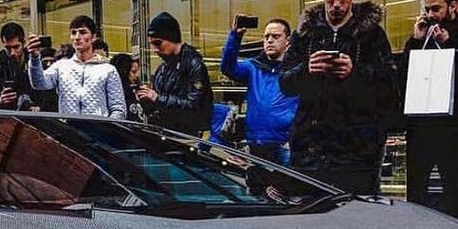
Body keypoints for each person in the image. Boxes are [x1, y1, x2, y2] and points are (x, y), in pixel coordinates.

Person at [279, 0, 398, 193]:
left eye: (341, 0)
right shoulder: (305, 34)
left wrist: (355, 72)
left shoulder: (372, 35)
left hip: (356, 147)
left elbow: (390, 86)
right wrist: (307, 70)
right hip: (311, 146)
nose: (336, 5)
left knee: (357, 213)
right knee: (312, 211)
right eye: (331, 0)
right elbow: (285, 83)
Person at [403, 0, 458, 219]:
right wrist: (415, 41)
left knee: (454, 187)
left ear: (452, 6)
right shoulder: (421, 37)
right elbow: (404, 75)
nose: (431, 15)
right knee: (416, 187)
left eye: (436, 9)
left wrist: (451, 43)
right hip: (420, 123)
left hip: (455, 123)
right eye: (427, 9)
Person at [221, 15, 299, 166]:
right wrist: (235, 36)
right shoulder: (253, 66)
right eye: (266, 37)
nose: (269, 40)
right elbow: (228, 68)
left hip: (286, 144)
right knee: (258, 186)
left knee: (284, 187)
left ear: (287, 41)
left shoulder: (297, 69)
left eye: (276, 36)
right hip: (256, 143)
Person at [26, 15, 127, 119]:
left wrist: (109, 129)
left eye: (83, 32)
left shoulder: (108, 70)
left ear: (93, 37)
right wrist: (34, 58)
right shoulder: (61, 66)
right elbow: (39, 84)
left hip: (99, 131)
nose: (77, 37)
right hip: (69, 131)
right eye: (74, 33)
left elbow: (118, 108)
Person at [138, 12, 214, 136]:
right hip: (165, 135)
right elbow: (157, 108)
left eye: (158, 43)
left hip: (186, 138)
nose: (155, 49)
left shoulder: (193, 65)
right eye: (152, 44)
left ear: (172, 38)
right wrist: (147, 101)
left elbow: (194, 107)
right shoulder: (162, 68)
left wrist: (157, 98)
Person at [0, 22, 40, 111]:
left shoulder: (36, 65)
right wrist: (0, 101)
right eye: (8, 48)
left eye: (16, 47)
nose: (12, 52)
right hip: (12, 120)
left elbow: (50, 98)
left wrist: (40, 108)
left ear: (23, 43)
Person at [110, 53, 145, 122]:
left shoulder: (135, 92)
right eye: (133, 72)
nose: (137, 75)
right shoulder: (116, 96)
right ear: (124, 72)